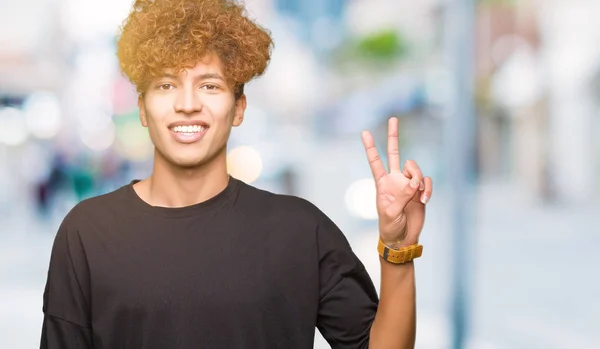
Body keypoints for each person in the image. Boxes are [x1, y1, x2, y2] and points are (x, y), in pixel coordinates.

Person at [39, 0, 433, 348]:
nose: (188, 104)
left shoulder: (301, 231)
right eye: (166, 85)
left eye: (209, 85)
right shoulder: (87, 233)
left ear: (239, 107)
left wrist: (398, 250)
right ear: (142, 108)